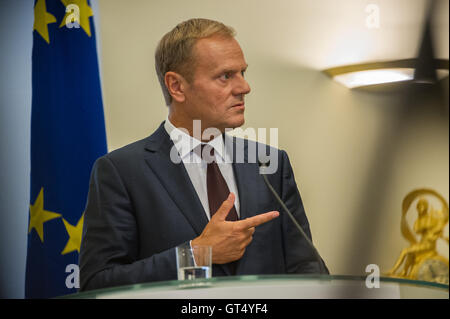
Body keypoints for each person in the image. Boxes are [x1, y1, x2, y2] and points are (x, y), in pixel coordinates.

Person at [79, 18, 327, 292]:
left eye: (243, 72)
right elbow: (97, 285)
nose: (244, 87)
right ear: (176, 86)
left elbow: (307, 268)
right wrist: (197, 254)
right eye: (226, 76)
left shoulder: (270, 163)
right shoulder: (122, 171)